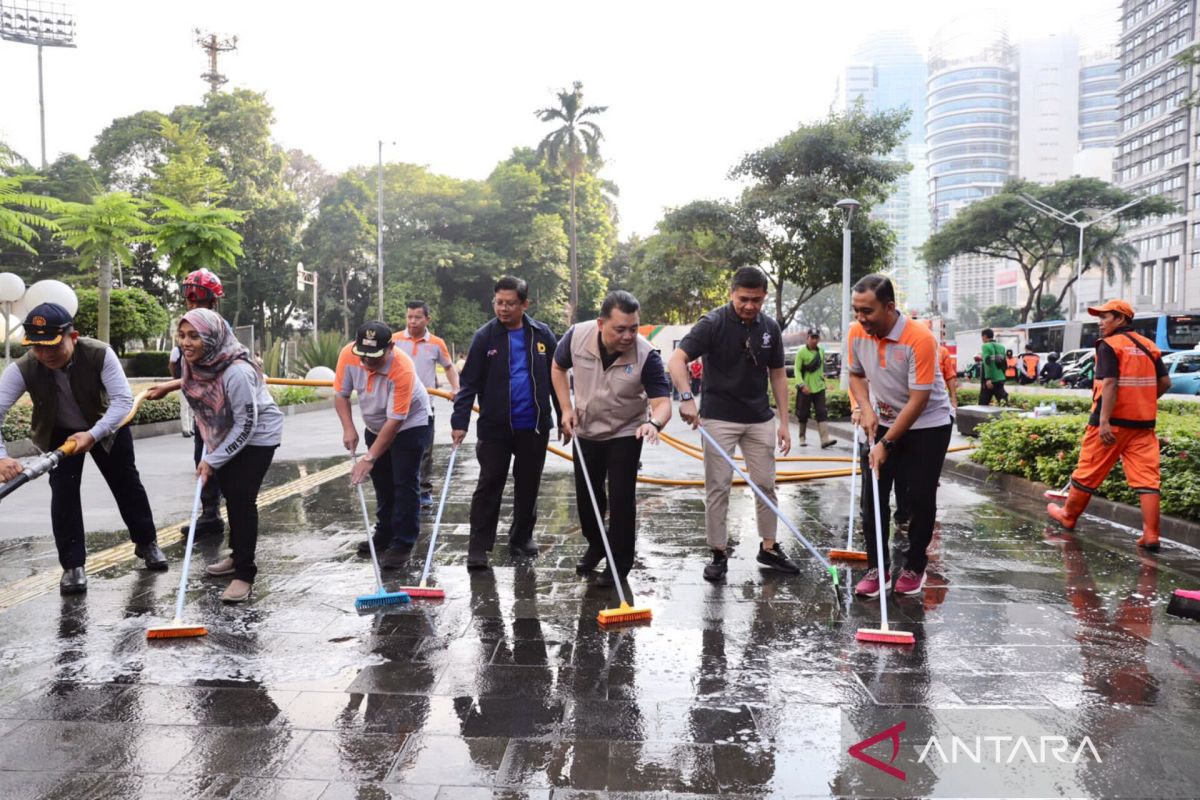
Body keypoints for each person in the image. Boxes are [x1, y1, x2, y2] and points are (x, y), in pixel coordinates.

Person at [0, 303, 167, 594]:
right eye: (37, 348)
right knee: (63, 493)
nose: (45, 354)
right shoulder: (24, 367)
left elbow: (123, 402)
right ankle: (73, 566)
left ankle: (146, 542)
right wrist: (0, 457)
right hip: (59, 433)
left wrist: (92, 434)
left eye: (53, 346)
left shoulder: (99, 353)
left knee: (126, 484)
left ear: (72, 336)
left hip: (105, 425)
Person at [667, 266, 795, 582]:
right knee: (718, 488)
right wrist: (686, 397)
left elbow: (778, 374)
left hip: (759, 418)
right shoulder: (712, 323)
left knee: (765, 485)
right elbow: (676, 359)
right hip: (719, 418)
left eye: (756, 300)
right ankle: (718, 552)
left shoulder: (770, 329)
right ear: (731, 293)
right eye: (743, 299)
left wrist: (783, 421)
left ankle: (769, 547)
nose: (750, 306)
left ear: (764, 297)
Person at [552, 290, 672, 586]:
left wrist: (654, 423)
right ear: (601, 323)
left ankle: (619, 563)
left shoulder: (647, 355)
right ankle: (596, 543)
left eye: (633, 328)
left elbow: (663, 403)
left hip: (625, 431)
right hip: (586, 429)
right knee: (587, 498)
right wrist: (566, 408)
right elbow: (557, 367)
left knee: (621, 498)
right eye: (621, 329)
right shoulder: (576, 336)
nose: (629, 336)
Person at [847, 275, 954, 598]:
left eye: (867, 311)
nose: (861, 318)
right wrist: (866, 408)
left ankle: (915, 565)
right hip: (883, 420)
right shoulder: (857, 333)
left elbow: (918, 401)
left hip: (928, 425)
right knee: (872, 498)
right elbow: (855, 375)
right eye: (856, 310)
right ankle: (877, 568)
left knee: (919, 497)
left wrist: (886, 444)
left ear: (890, 307)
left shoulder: (918, 338)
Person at [451, 276, 562, 571]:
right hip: (495, 427)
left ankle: (521, 538)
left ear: (525, 304)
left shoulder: (542, 335)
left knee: (528, 485)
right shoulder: (485, 337)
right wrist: (459, 420)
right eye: (498, 302)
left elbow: (557, 379)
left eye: (510, 303)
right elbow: (468, 383)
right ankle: (478, 546)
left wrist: (565, 416)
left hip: (534, 426)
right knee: (489, 484)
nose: (503, 308)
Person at [177, 309, 283, 603]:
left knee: (241, 497)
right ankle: (237, 557)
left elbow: (246, 424)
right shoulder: (194, 364)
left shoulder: (237, 372)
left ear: (211, 337)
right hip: (225, 432)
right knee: (230, 494)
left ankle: (245, 574)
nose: (186, 343)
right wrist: (213, 448)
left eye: (194, 336)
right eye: (183, 335)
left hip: (258, 435)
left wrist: (213, 457)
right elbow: (206, 408)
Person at [1047, 300, 1170, 551]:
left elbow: (1111, 382)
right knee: (1148, 479)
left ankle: (1068, 516)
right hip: (1142, 425)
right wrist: (1143, 402)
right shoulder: (1149, 346)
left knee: (1087, 472)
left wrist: (1103, 420)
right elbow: (1165, 382)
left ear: (1121, 318)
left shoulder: (1110, 345)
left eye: (1105, 318)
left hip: (1110, 425)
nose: (1100, 323)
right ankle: (1151, 534)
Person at [336, 321, 431, 568]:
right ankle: (385, 533)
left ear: (390, 347)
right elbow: (341, 394)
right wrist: (349, 427)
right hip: (375, 425)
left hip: (410, 424)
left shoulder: (402, 367)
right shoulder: (348, 354)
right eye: (363, 355)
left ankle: (403, 542)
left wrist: (369, 458)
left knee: (404, 482)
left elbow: (395, 421)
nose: (367, 361)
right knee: (382, 483)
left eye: (374, 356)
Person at [144, 268, 229, 538]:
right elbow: (187, 372)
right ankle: (210, 515)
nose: (193, 304)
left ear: (212, 301)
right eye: (189, 299)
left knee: (226, 465)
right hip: (203, 413)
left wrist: (169, 386)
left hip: (225, 413)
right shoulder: (187, 328)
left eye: (199, 300)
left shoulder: (217, 330)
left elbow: (211, 375)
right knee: (201, 460)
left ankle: (240, 534)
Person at [392, 301, 460, 509]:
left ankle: (423, 491)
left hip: (424, 407)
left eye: (417, 317)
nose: (412, 321)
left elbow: (449, 367)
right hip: (396, 405)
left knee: (424, 451)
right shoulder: (394, 340)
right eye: (409, 317)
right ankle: (399, 491)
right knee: (395, 450)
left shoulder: (436, 343)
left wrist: (456, 389)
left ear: (427, 320)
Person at [793, 327, 836, 448]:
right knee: (803, 413)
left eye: (816, 337)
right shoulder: (801, 352)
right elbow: (796, 369)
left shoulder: (821, 351)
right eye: (812, 337)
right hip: (805, 388)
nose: (814, 340)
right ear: (807, 338)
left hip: (819, 387)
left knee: (822, 412)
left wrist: (825, 380)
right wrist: (801, 385)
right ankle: (802, 437)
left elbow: (821, 368)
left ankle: (824, 439)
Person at [979, 329, 1008, 405]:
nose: (982, 339)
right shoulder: (1001, 347)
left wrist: (988, 379)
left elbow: (987, 362)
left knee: (982, 403)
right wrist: (1003, 375)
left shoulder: (985, 346)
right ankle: (1009, 416)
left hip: (990, 381)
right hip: (1000, 378)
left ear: (985, 336)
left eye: (982, 337)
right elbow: (1004, 364)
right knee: (1003, 402)